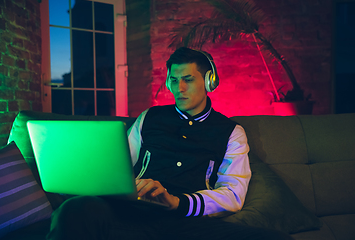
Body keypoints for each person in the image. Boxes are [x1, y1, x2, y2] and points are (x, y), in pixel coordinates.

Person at [46, 47, 293, 240]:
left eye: (188, 79)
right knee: (75, 210)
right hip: (131, 217)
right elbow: (117, 167)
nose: (179, 88)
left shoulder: (231, 132)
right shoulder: (149, 117)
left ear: (209, 81)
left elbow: (233, 195)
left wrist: (178, 202)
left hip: (186, 224)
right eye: (174, 80)